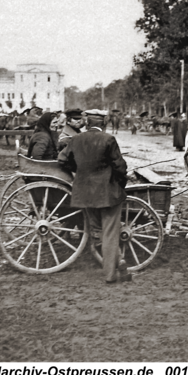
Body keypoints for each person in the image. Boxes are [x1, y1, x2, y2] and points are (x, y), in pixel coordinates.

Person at [58, 109, 130, 284]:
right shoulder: (108, 139)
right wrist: (120, 182)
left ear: (87, 123)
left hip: (85, 194)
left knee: (98, 230)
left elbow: (62, 160)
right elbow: (120, 166)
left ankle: (120, 263)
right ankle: (110, 275)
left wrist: (80, 172)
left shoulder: (76, 139)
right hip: (107, 193)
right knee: (111, 233)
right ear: (103, 123)